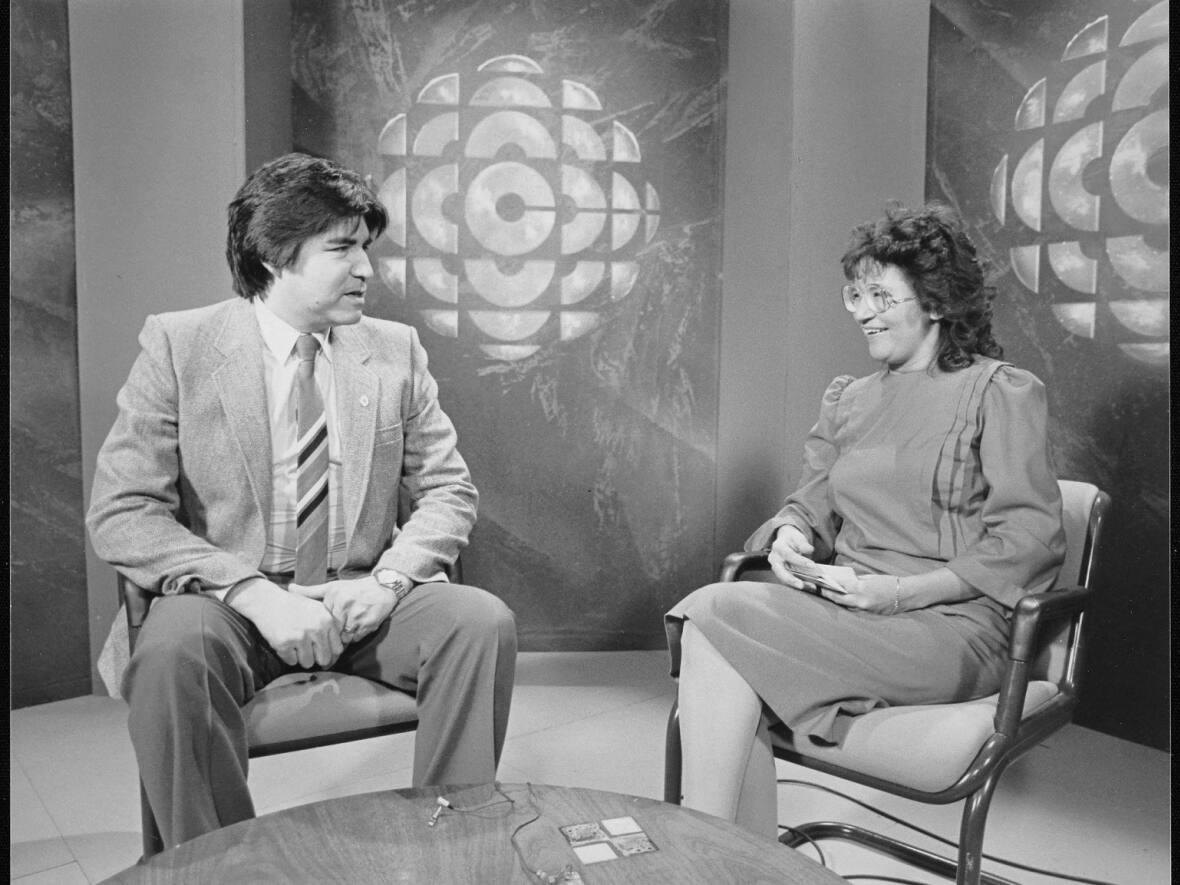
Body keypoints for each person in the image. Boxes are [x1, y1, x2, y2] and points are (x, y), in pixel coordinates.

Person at [87, 152, 517, 848]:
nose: (366, 268)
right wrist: (256, 594)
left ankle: (450, 845)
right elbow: (122, 512)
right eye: (341, 248)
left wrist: (387, 582)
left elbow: (448, 489)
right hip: (232, 604)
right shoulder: (180, 345)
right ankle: (223, 865)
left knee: (478, 622)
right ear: (272, 256)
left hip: (361, 600)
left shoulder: (395, 350)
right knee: (171, 657)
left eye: (365, 247)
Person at [666, 203, 1066, 838]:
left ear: (935, 302)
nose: (860, 310)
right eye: (855, 293)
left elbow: (1030, 540)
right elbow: (813, 500)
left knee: (716, 617)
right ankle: (733, 860)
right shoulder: (849, 399)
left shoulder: (998, 391)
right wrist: (793, 535)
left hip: (950, 627)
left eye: (881, 294)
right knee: (719, 621)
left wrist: (903, 592)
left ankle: (701, 853)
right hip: (851, 609)